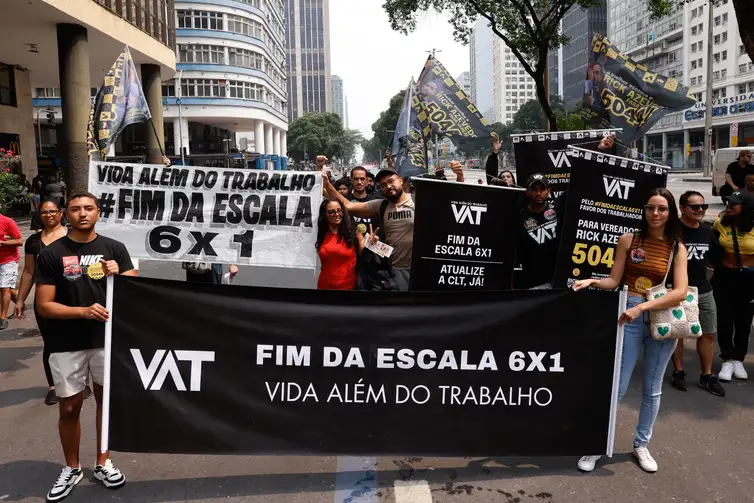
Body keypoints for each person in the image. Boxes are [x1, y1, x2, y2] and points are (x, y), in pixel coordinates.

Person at [573, 188, 688, 474]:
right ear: (644, 210)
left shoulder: (677, 247)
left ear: (670, 212)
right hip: (630, 316)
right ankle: (597, 443)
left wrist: (642, 309)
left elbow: (681, 293)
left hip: (659, 319)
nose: (656, 214)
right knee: (617, 386)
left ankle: (641, 445)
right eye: (651, 208)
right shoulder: (628, 239)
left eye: (662, 209)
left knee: (652, 389)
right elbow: (614, 281)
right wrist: (592, 282)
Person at [35, 191, 138, 501]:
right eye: (76, 208)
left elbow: (135, 287)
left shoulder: (114, 248)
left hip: (106, 341)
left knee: (106, 405)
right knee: (69, 407)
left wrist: (120, 276)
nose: (82, 213)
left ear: (98, 212)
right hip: (66, 343)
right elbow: (44, 306)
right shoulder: (52, 253)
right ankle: (71, 467)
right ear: (67, 213)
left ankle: (103, 461)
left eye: (88, 208)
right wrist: (83, 311)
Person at [14, 199, 88, 405]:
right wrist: (20, 300)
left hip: (74, 295)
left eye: (52, 212)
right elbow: (28, 272)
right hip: (45, 298)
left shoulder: (73, 236)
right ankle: (54, 385)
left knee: (78, 339)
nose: (48, 215)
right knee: (52, 342)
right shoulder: (34, 242)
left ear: (60, 213)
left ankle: (80, 382)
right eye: (44, 212)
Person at [321, 155, 428, 291]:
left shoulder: (418, 200)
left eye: (391, 181)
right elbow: (348, 206)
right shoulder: (380, 206)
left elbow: (452, 210)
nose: (388, 187)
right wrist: (327, 185)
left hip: (419, 269)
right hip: (393, 272)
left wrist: (459, 176)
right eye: (383, 185)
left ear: (400, 181)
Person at [670, 191, 724, 396]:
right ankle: (678, 371)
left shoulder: (707, 231)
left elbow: (713, 258)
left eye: (703, 207)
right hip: (677, 290)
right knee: (678, 333)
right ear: (682, 208)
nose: (700, 210)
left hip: (703, 290)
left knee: (709, 332)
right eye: (695, 207)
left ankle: (707, 375)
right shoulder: (672, 230)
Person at [709, 190, 754, 382]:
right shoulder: (720, 224)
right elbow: (711, 247)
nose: (729, 205)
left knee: (744, 321)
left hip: (749, 279)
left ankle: (738, 358)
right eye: (728, 202)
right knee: (725, 320)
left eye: (734, 203)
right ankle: (727, 358)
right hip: (724, 277)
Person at [514, 174, 563, 290]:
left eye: (542, 189)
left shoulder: (558, 211)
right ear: (527, 192)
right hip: (531, 284)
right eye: (534, 189)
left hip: (557, 281)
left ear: (549, 191)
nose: (538, 193)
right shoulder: (519, 217)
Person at [316, 198, 363, 290]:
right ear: (324, 215)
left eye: (339, 210)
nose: (337, 214)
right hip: (323, 289)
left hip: (348, 291)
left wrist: (371, 243)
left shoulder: (353, 231)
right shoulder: (320, 234)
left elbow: (362, 253)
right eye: (331, 212)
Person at [0, 208, 22, 329]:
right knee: (4, 287)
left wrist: (2, 243)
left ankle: (2, 319)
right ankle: (20, 301)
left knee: (4, 288)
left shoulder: (7, 222)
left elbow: (19, 241)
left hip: (9, 259)